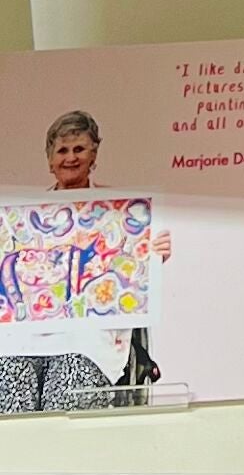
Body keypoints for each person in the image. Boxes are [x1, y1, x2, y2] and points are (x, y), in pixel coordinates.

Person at [0, 108, 166, 415]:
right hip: (21, 336)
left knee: (70, 380)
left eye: (79, 149)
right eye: (62, 151)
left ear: (94, 155)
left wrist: (152, 254)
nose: (71, 158)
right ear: (50, 160)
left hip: (88, 337)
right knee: (10, 382)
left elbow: (130, 271)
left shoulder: (120, 212)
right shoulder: (18, 218)